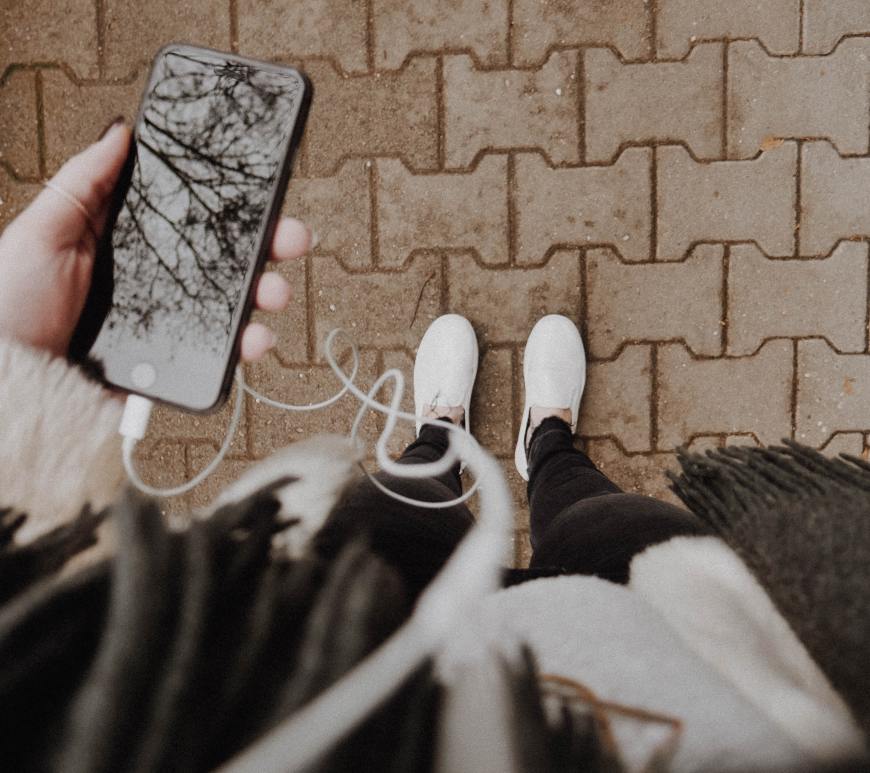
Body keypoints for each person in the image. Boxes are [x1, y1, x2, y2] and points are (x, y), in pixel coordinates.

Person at [1, 124, 867, 771]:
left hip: (358, 616)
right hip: (680, 634)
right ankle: (549, 445)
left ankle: (446, 435)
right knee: (594, 514)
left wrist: (21, 371)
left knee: (403, 499)